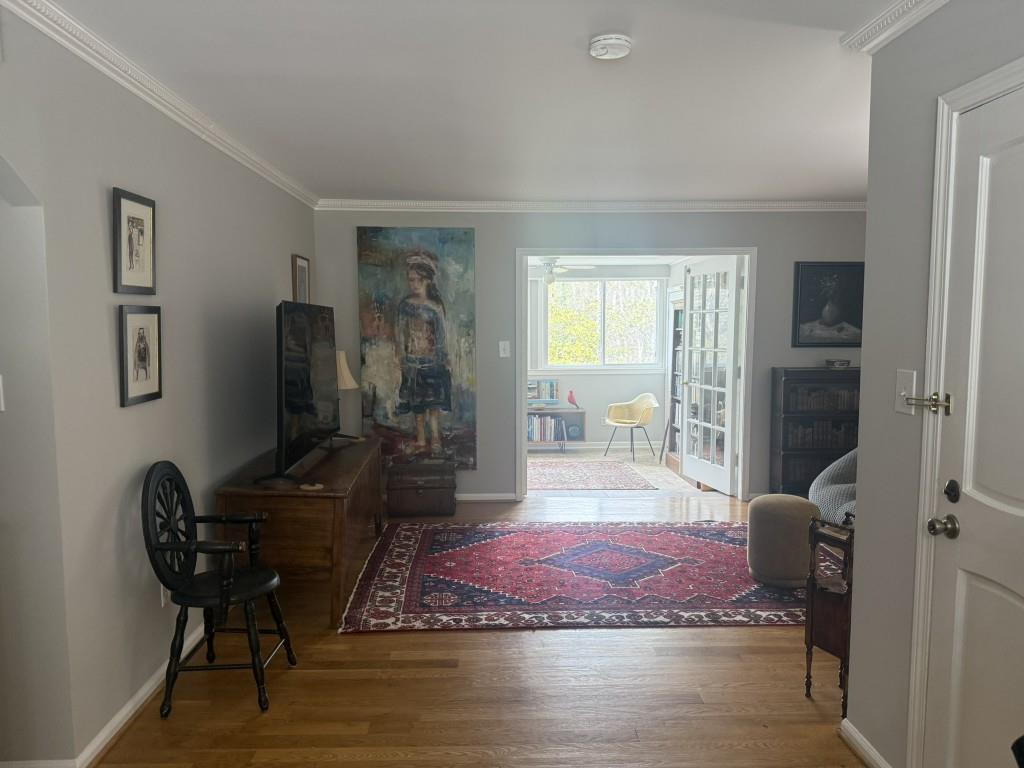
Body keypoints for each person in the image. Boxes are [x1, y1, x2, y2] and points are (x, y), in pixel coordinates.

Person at [395, 249, 451, 453]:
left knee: (432, 403)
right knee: (417, 404)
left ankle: (435, 437)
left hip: (432, 362)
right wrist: (401, 355)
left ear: (427, 280)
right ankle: (420, 439)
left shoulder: (434, 307)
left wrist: (444, 358)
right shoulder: (405, 306)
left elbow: (442, 335)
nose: (414, 284)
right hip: (411, 362)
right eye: (411, 280)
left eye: (418, 280)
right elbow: (400, 332)